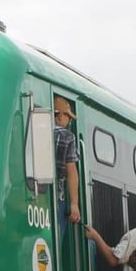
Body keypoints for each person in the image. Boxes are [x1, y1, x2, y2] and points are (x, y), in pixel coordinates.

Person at [54, 96, 81, 236]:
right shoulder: (67, 136)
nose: (69, 121)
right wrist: (74, 204)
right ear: (60, 115)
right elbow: (71, 171)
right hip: (57, 197)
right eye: (68, 116)